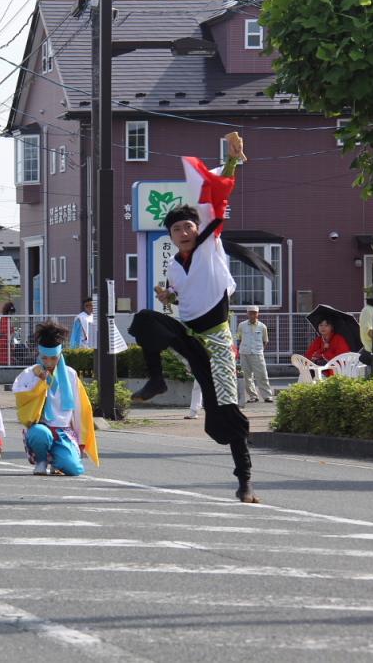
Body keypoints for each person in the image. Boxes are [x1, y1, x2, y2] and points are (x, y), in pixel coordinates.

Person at [126, 132, 260, 503]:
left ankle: (245, 481)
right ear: (170, 236)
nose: (184, 232)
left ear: (198, 230)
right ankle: (157, 381)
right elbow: (181, 295)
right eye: (176, 229)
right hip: (188, 332)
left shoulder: (210, 246)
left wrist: (232, 160)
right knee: (144, 320)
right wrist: (167, 295)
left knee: (225, 413)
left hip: (216, 342)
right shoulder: (175, 264)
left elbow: (215, 199)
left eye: (188, 227)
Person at [12, 321, 99, 476]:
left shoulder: (70, 374)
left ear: (60, 355)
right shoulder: (30, 373)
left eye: (53, 358)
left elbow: (79, 409)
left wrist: (81, 441)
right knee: (40, 433)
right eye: (44, 358)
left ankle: (57, 460)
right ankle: (41, 461)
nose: (49, 362)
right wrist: (38, 380)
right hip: (40, 427)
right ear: (39, 354)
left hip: (63, 431)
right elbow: (20, 396)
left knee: (74, 469)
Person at [236, 305, 273, 403]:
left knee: (262, 375)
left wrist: (259, 350)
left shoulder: (262, 326)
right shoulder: (241, 325)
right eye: (250, 312)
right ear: (247, 314)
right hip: (244, 353)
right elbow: (239, 339)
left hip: (257, 354)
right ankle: (253, 396)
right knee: (247, 376)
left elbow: (265, 341)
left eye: (254, 313)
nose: (252, 315)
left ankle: (267, 396)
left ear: (258, 314)